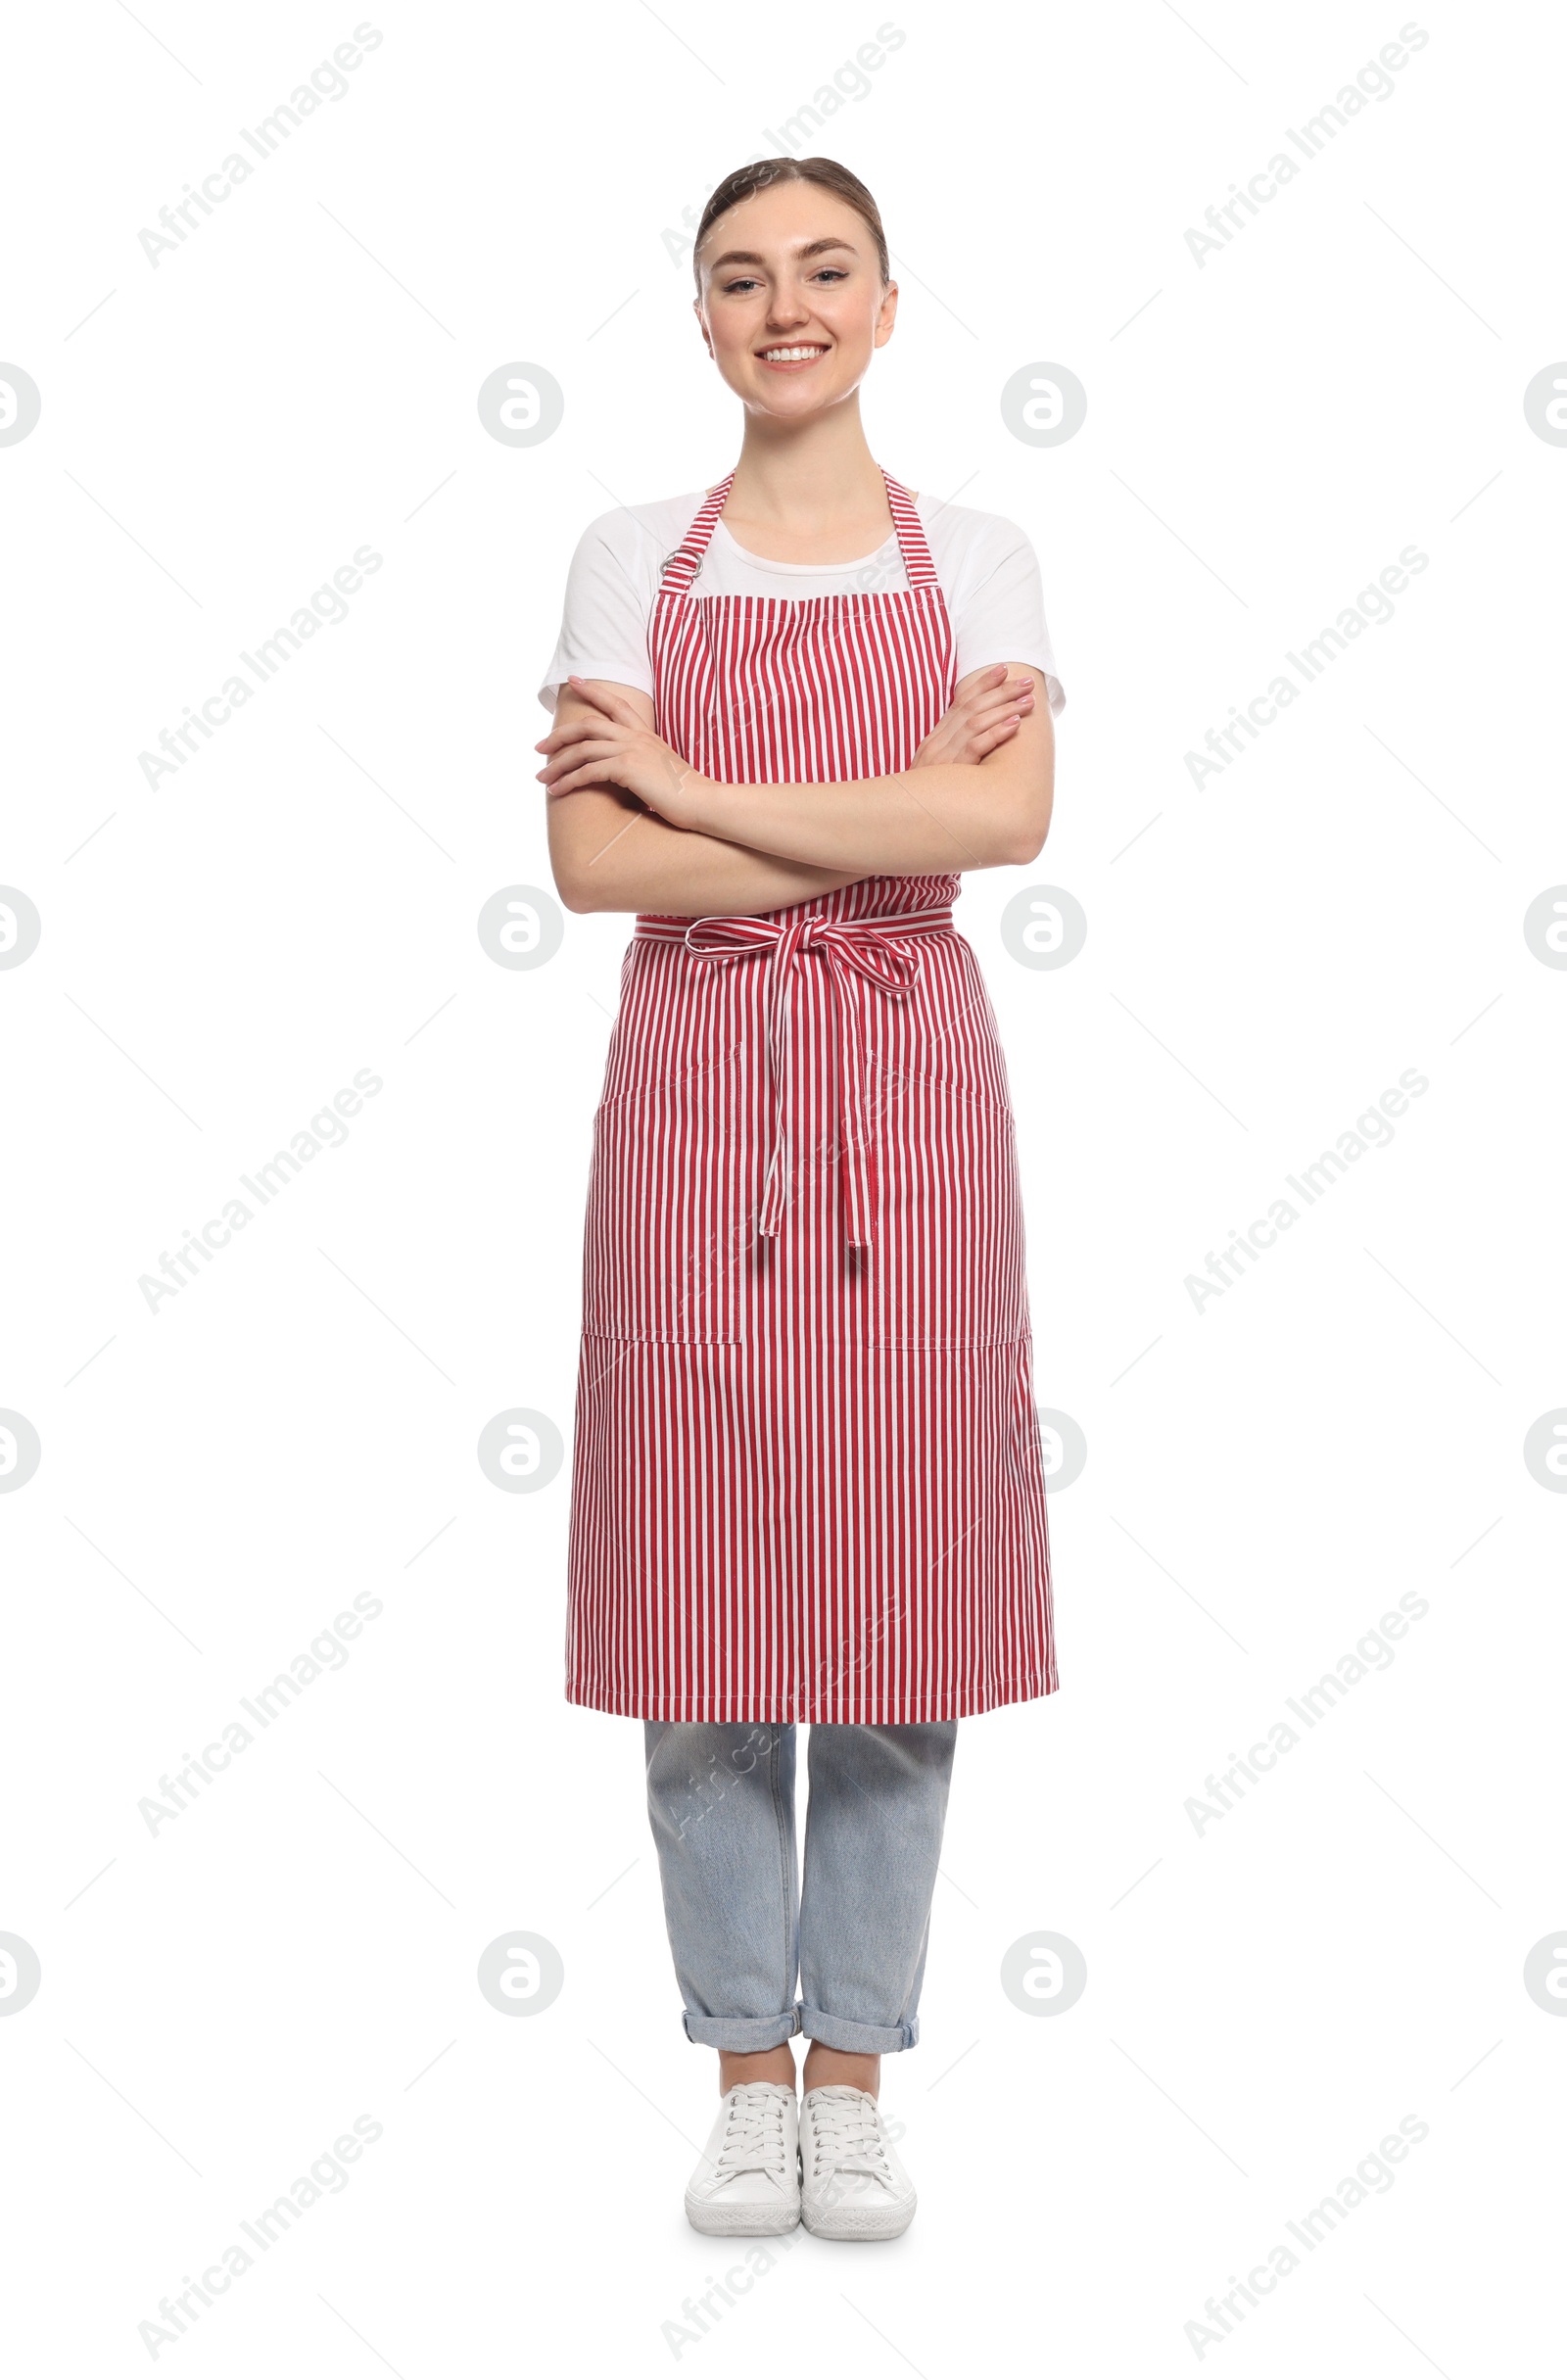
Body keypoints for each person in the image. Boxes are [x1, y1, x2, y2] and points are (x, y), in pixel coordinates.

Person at [537, 155, 1064, 2241]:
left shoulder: (988, 554)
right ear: (696, 318)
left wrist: (698, 789)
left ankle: (853, 2068)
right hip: (690, 1103)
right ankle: (736, 2074)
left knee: (898, 1607)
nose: (784, 306)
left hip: (910, 1113)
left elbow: (1004, 818)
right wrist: (869, 821)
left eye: (821, 269)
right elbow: (599, 875)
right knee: (696, 1599)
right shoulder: (617, 556)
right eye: (740, 277)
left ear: (885, 302)